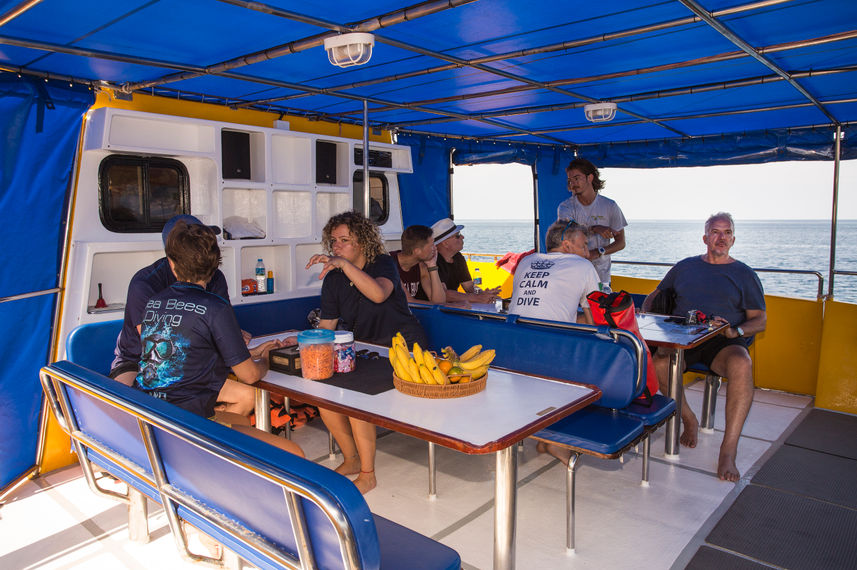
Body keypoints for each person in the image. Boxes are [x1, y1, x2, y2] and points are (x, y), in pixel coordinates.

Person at [135, 220, 304, 458]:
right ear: (215, 264)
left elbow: (192, 352)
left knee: (240, 421)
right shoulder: (215, 307)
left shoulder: (154, 303)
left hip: (150, 414)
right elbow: (249, 375)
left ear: (172, 264)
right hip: (186, 426)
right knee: (295, 453)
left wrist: (249, 353)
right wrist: (265, 358)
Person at [305, 211, 428, 494]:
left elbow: (378, 294)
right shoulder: (334, 279)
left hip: (402, 348)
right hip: (365, 350)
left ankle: (368, 475)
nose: (336, 247)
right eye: (333, 241)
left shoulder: (382, 264)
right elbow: (327, 325)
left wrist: (343, 266)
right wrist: (305, 343)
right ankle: (351, 459)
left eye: (344, 240)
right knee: (322, 394)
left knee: (356, 398)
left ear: (362, 242)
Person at [641, 212, 766, 482]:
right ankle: (689, 419)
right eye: (715, 232)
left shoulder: (745, 274)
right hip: (683, 337)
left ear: (733, 239)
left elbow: (760, 320)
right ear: (705, 237)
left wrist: (735, 331)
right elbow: (654, 297)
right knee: (660, 364)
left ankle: (728, 451)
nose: (721, 237)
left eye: (727, 232)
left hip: (723, 340)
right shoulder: (684, 267)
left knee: (742, 364)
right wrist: (651, 317)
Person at [109, 215, 255, 418]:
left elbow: (219, 325)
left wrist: (233, 336)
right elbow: (155, 342)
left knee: (245, 395)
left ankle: (205, 424)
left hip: (197, 359)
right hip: (138, 360)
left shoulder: (214, 277)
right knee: (132, 407)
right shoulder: (145, 283)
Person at [508, 220, 601, 325]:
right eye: (583, 246)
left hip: (513, 330)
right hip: (552, 333)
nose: (587, 254)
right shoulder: (583, 265)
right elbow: (595, 317)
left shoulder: (526, 261)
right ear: (566, 245)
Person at [556, 158, 627, 286]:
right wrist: (594, 228)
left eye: (576, 178)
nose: (573, 183)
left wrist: (598, 252)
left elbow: (621, 243)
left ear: (590, 178)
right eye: (570, 180)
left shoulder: (610, 206)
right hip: (574, 275)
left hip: (601, 277)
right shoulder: (565, 207)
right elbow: (569, 234)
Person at [431, 217, 501, 304]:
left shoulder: (458, 257)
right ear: (445, 243)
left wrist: (484, 294)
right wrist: (478, 298)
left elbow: (469, 287)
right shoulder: (433, 261)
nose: (462, 237)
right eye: (457, 235)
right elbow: (444, 294)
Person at [389, 225, 446, 304]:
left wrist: (432, 265)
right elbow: (408, 301)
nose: (435, 248)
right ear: (417, 251)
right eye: (432, 245)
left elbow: (439, 302)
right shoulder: (389, 263)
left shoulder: (421, 266)